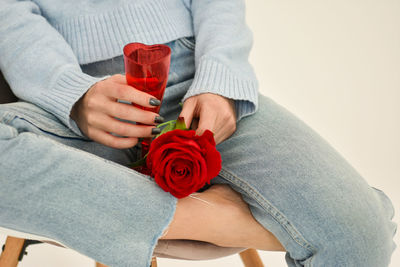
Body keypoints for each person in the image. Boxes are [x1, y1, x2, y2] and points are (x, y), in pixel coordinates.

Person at [0, 0, 396, 266]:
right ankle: (212, 220)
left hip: (192, 81)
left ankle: (157, 216)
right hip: (66, 94)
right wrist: (72, 94)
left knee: (361, 238)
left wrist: (221, 81)